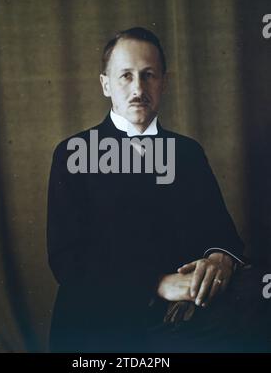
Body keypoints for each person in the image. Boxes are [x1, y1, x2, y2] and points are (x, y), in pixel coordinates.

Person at [47, 27, 248, 353]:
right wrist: (157, 284)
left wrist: (220, 258)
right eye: (125, 76)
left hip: (187, 326)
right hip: (100, 327)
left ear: (164, 82)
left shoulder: (187, 153)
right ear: (105, 84)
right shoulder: (73, 153)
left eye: (149, 75)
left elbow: (222, 235)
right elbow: (68, 261)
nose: (138, 88)